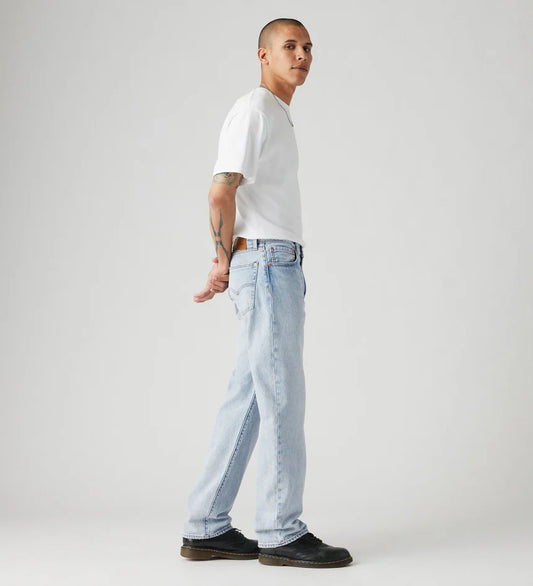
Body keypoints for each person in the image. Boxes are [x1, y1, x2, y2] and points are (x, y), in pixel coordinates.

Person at [180, 18, 353, 569]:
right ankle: (280, 531)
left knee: (253, 396)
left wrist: (230, 261)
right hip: (268, 263)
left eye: (308, 48)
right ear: (263, 55)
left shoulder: (276, 113)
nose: (302, 55)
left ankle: (206, 525)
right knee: (281, 396)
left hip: (270, 262)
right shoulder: (255, 110)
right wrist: (222, 261)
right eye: (289, 46)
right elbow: (220, 192)